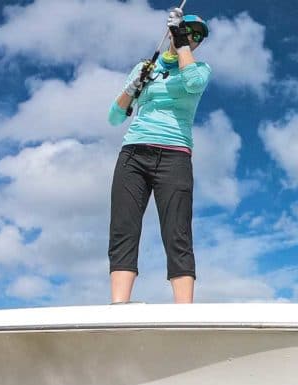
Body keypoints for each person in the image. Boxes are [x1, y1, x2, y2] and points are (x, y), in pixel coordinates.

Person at [107, 8, 211, 304]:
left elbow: (192, 82)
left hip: (175, 156)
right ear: (170, 31)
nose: (193, 38)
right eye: (187, 31)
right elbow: (115, 118)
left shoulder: (200, 68)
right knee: (123, 229)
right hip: (133, 154)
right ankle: (118, 306)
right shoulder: (146, 67)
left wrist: (181, 43)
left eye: (197, 37)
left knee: (177, 233)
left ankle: (184, 312)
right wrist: (131, 88)